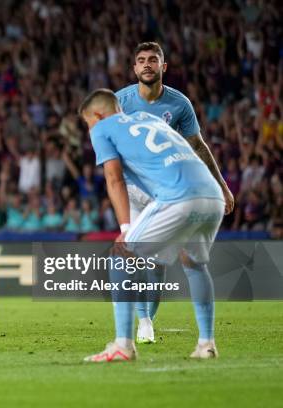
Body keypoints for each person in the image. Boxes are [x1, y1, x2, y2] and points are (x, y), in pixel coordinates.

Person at [80, 89, 224, 362]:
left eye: (88, 122)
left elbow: (114, 179)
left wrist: (124, 227)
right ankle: (207, 344)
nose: (90, 129)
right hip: (211, 196)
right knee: (195, 264)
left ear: (98, 114)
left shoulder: (103, 128)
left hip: (179, 197)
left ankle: (123, 345)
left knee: (120, 256)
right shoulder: (148, 118)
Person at [115, 42, 234, 343]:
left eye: (153, 60)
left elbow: (198, 146)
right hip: (132, 188)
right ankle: (143, 322)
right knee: (134, 254)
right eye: (141, 60)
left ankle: (147, 319)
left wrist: (222, 185)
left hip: (166, 191)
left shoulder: (179, 104)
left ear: (163, 67)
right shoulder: (121, 101)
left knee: (156, 261)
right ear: (134, 68)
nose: (146, 65)